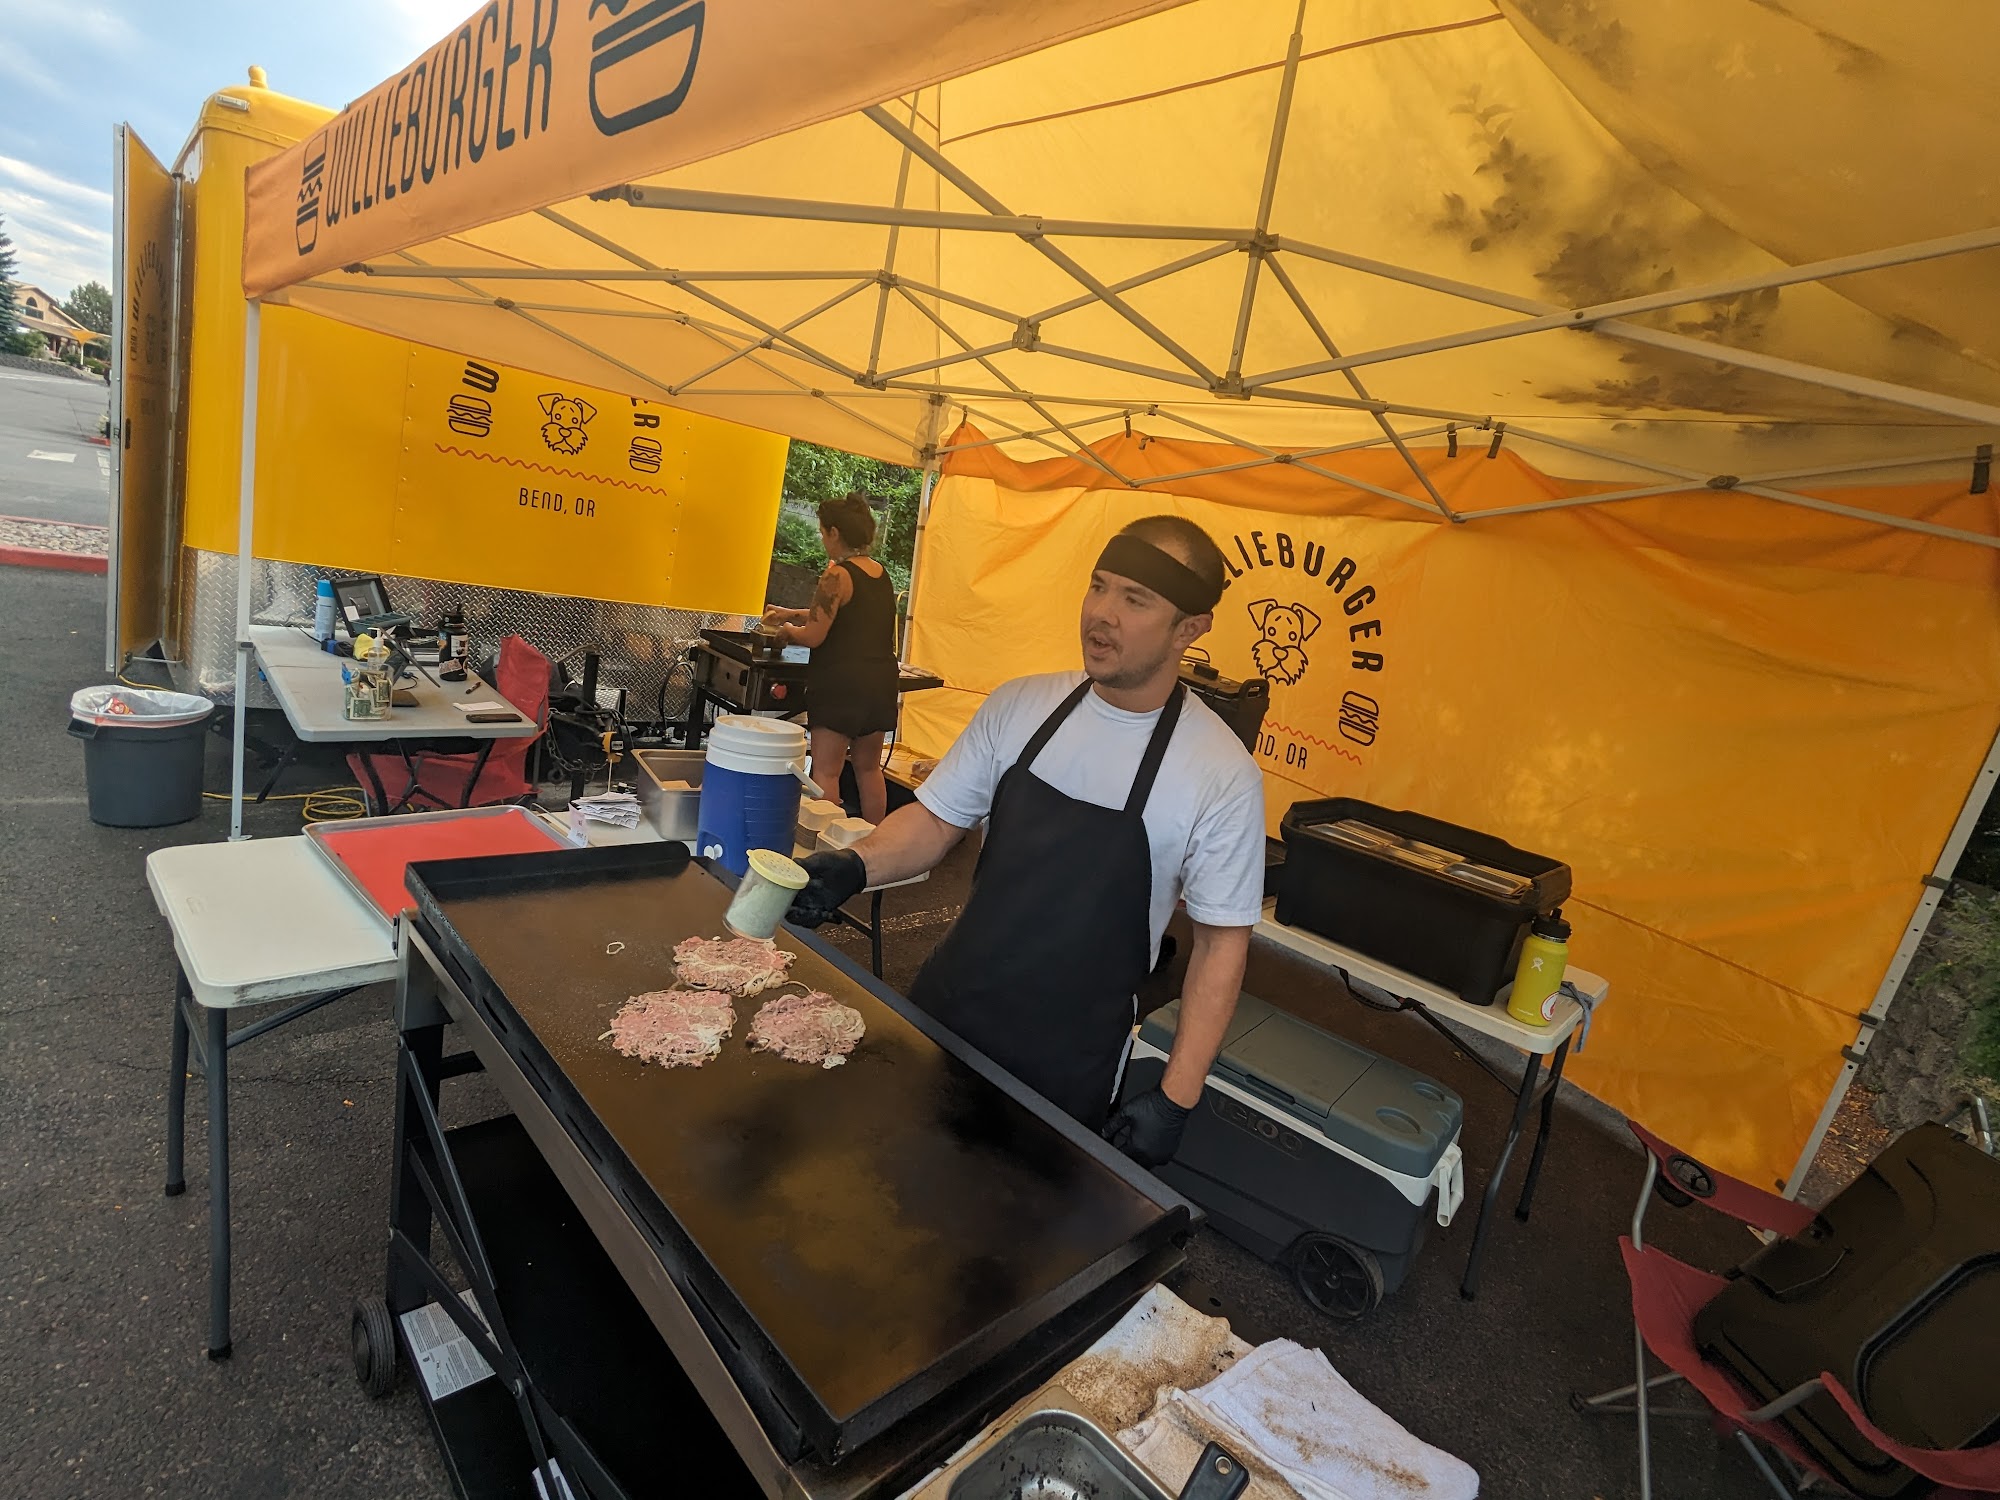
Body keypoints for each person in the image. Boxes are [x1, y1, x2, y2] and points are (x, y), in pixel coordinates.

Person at [787, 515, 1265, 1167]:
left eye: (1135, 599)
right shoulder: (1022, 706)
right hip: (948, 1010)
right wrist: (853, 865)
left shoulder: (1220, 773)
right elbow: (936, 822)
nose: (1102, 613)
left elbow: (1220, 945)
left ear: (1191, 628)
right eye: (1099, 586)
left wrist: (1175, 1098)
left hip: (1067, 1063)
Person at [762, 493, 901, 824]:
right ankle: (874, 839)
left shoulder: (836, 575)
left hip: (842, 684)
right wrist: (790, 613)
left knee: (827, 770)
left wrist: (786, 631)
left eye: (823, 532)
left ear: (835, 532)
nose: (822, 539)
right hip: (880, 682)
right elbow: (845, 615)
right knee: (869, 769)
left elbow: (814, 635)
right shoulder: (880, 573)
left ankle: (827, 840)